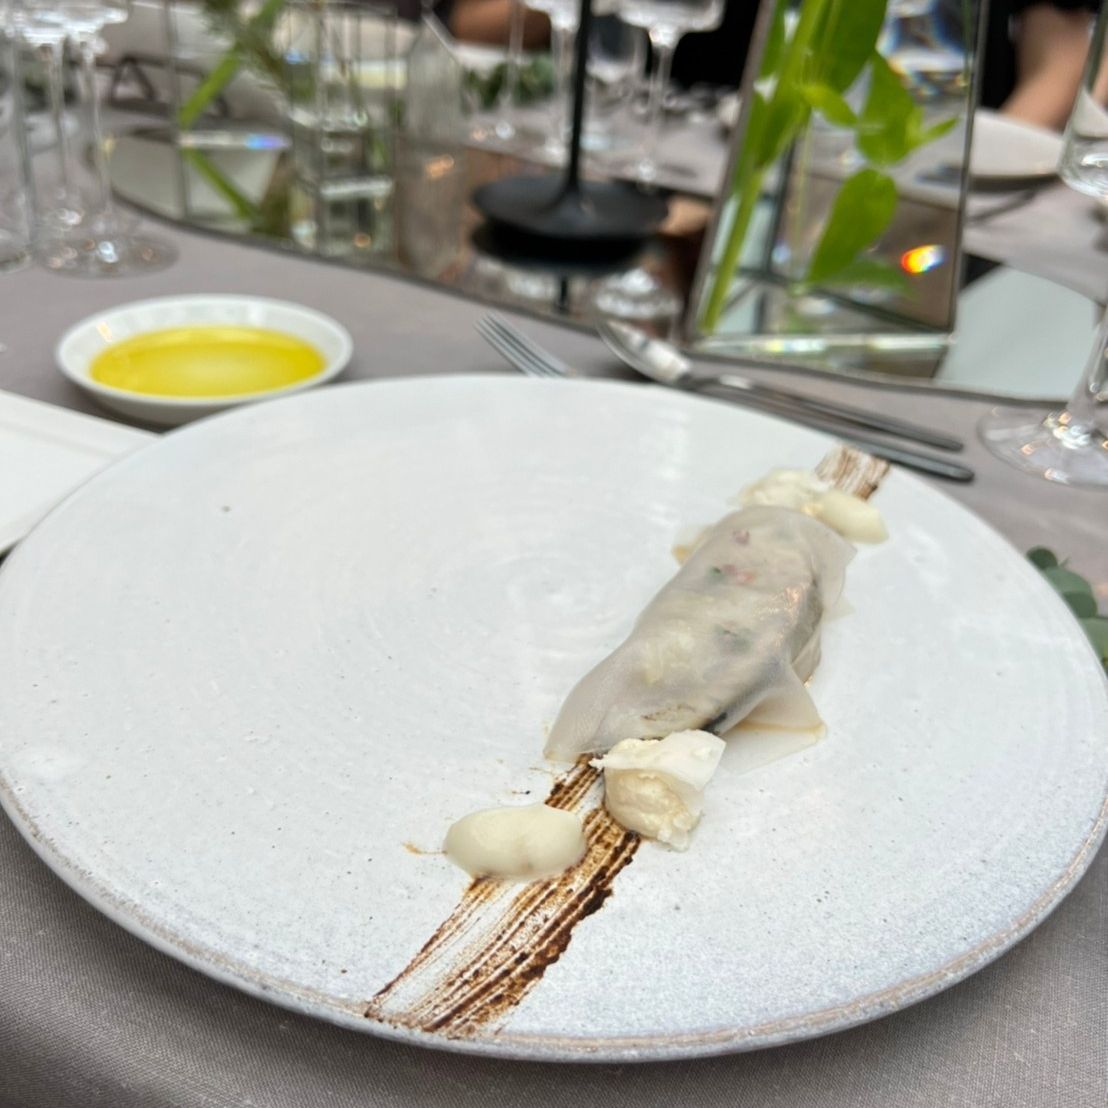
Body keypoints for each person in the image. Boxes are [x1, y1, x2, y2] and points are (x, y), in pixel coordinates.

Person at [447, 0, 1101, 130]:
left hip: (918, 177)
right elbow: (474, 25)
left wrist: (982, 175)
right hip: (681, 167)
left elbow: (1064, 52)